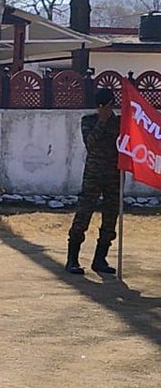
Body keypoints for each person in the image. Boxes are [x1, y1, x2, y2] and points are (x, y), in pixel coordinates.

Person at [66, 87, 119, 275]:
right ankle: (72, 259)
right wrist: (102, 121)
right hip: (93, 176)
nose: (109, 109)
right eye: (106, 106)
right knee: (83, 214)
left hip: (114, 175)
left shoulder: (119, 123)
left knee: (111, 216)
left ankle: (100, 259)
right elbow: (90, 143)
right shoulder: (88, 121)